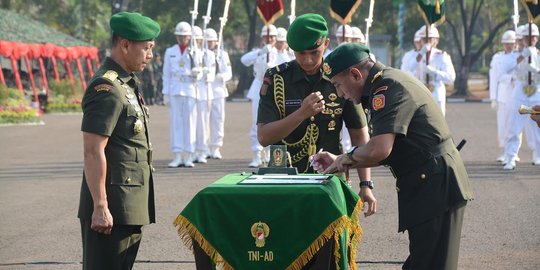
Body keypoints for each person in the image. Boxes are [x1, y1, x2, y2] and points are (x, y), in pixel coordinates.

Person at [312, 43, 474, 270]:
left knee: (432, 264)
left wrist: (344, 159)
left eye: (338, 85)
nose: (340, 94)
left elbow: (380, 149)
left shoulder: (386, 87)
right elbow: (385, 149)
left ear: (356, 74)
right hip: (428, 183)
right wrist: (342, 158)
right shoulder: (385, 83)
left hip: (435, 187)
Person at [257, 14, 375, 211]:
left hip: (330, 177)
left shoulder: (341, 76)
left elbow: (359, 135)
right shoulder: (276, 78)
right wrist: (301, 113)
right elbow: (263, 136)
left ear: (327, 43)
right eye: (300, 53)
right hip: (285, 177)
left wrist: (366, 184)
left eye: (314, 52)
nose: (308, 59)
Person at [78, 12, 160, 269]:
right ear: (125, 45)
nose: (150, 55)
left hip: (129, 205)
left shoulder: (127, 85)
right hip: (112, 209)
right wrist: (100, 206)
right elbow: (93, 151)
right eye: (146, 48)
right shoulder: (107, 88)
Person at [241, 24, 279, 167]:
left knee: (273, 122)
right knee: (257, 122)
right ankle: (256, 155)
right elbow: (244, 60)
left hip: (274, 89)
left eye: (272, 37)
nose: (269, 39)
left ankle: (270, 155)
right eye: (267, 36)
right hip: (258, 86)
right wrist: (260, 53)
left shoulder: (280, 53)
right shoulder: (258, 52)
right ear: (262, 38)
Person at [503, 23, 540, 169]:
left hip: (536, 94)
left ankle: (538, 155)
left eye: (533, 37)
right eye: (527, 37)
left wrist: (536, 70)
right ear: (522, 39)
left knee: (537, 126)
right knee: (514, 126)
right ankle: (511, 157)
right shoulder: (517, 55)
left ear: (537, 39)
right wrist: (522, 56)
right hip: (521, 94)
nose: (530, 39)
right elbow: (506, 69)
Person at [162, 21, 198, 168]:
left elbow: (202, 72)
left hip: (190, 88)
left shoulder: (195, 51)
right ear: (176, 37)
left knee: (190, 123)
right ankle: (177, 155)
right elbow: (166, 74)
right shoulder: (170, 52)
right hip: (175, 89)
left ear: (189, 37)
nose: (182, 39)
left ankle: (189, 155)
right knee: (176, 123)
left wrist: (199, 73)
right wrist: (165, 93)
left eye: (185, 36)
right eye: (180, 36)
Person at [410, 25, 455, 116]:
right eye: (424, 39)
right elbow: (410, 68)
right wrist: (421, 53)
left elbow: (451, 77)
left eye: (430, 39)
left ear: (436, 41)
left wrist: (435, 73)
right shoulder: (416, 56)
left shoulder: (442, 56)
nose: (427, 42)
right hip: (420, 95)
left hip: (436, 95)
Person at [489, 30, 518, 163]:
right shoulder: (498, 57)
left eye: (511, 43)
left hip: (516, 95)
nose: (508, 46)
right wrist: (493, 98)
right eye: (506, 43)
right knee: (502, 126)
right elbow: (494, 78)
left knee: (514, 126)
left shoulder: (519, 57)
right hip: (502, 96)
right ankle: (505, 151)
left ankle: (513, 152)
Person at [206, 28, 233, 159]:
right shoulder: (201, 54)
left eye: (211, 41)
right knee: (204, 120)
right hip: (204, 90)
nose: (209, 44)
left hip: (218, 90)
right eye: (207, 41)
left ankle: (216, 146)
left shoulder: (222, 54)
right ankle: (205, 146)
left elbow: (229, 72)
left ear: (216, 42)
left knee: (218, 120)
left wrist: (222, 76)